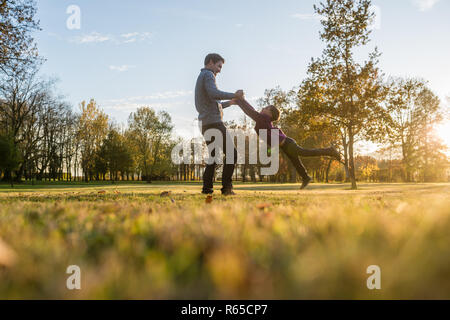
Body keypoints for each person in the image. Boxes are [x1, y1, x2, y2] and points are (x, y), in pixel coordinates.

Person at [233, 98, 341, 189]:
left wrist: (240, 101)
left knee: (306, 153)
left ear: (270, 114)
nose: (263, 108)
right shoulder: (263, 120)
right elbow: (251, 111)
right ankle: (306, 177)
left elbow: (250, 111)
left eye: (266, 108)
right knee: (296, 162)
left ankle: (330, 150)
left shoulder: (263, 118)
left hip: (288, 144)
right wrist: (241, 100)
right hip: (285, 145)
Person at [195, 53, 244, 195]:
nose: (220, 70)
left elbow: (214, 103)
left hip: (205, 123)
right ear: (210, 62)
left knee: (214, 156)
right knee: (231, 153)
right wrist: (234, 95)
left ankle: (207, 189)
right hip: (214, 122)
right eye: (219, 66)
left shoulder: (202, 76)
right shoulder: (208, 75)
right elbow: (214, 93)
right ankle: (227, 188)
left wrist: (231, 102)